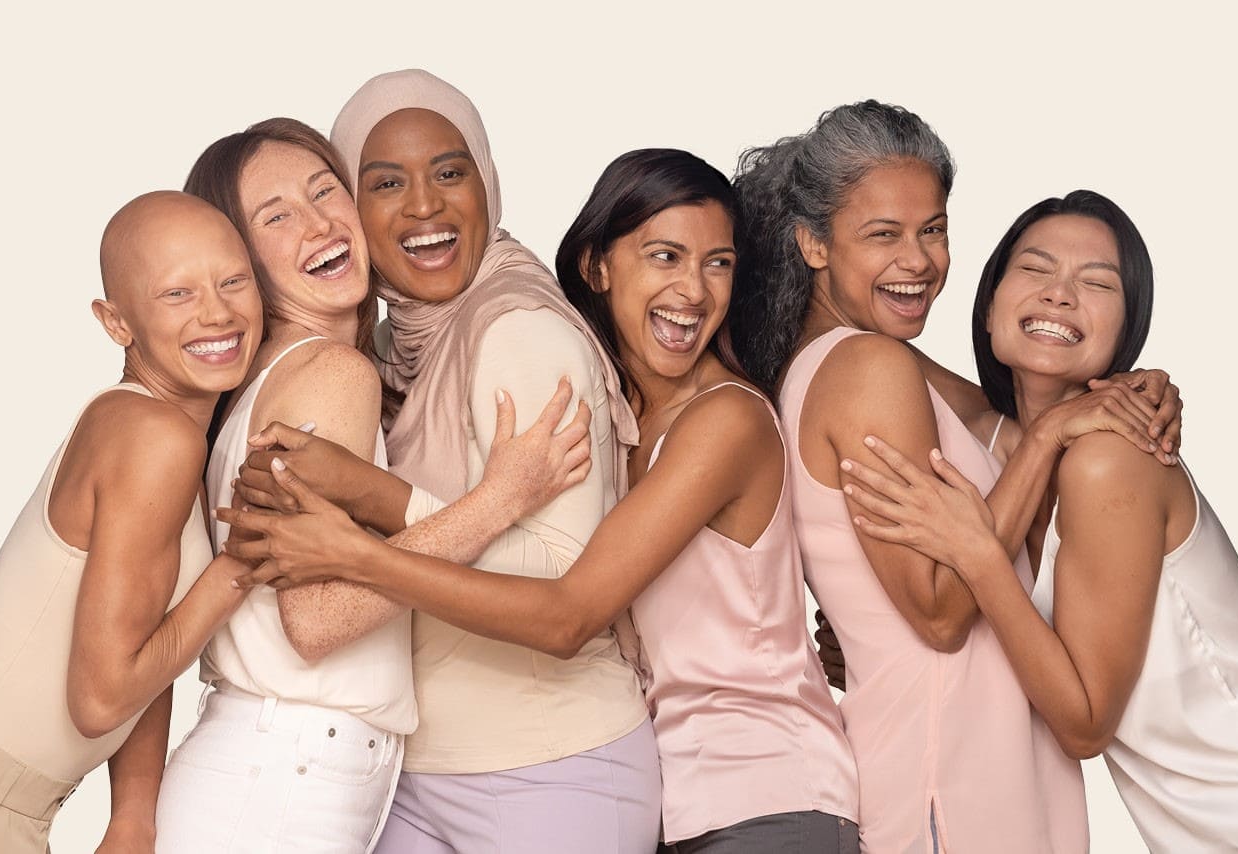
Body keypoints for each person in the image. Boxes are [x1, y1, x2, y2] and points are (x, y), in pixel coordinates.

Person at [231, 149, 864, 852]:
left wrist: (361, 553)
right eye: (665, 256)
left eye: (718, 263)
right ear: (598, 266)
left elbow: (567, 617)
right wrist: (365, 484)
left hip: (769, 798)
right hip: (685, 803)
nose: (694, 289)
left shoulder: (724, 422)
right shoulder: (626, 412)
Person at [732, 99, 1185, 853]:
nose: (918, 261)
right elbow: (941, 613)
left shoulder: (872, 361)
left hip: (976, 767)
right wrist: (1051, 440)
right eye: (883, 235)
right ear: (812, 243)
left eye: (932, 230)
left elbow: (1013, 422)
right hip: (949, 786)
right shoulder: (864, 367)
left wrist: (1135, 386)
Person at [226, 69, 653, 853]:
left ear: (488, 182)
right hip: (412, 777)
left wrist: (377, 508)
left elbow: (561, 582)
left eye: (450, 172)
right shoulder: (390, 349)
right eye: (386, 183)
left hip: (550, 770)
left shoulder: (519, 331)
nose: (424, 205)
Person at [837, 192, 1238, 853]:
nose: (1059, 296)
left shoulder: (1110, 461)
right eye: (1036, 269)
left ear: (1126, 327)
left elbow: (1084, 726)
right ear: (989, 305)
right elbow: (861, 351)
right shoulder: (1003, 448)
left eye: (1096, 282)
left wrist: (980, 557)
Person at [0, 192, 262, 852]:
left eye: (233, 280)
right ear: (117, 322)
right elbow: (102, 696)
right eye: (178, 293)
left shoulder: (154, 427)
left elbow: (142, 633)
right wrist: (238, 568)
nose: (218, 310)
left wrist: (133, 813)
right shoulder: (155, 438)